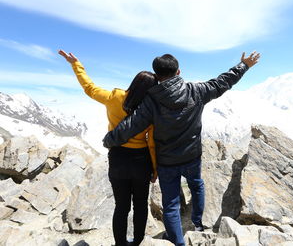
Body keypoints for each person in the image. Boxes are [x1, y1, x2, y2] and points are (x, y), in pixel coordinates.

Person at [103, 51, 261, 246]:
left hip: (167, 161)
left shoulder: (151, 101)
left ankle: (177, 242)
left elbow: (132, 125)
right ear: (178, 71)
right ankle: (197, 224)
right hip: (192, 156)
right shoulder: (196, 91)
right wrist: (243, 65)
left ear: (157, 76)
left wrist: (109, 140)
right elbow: (223, 82)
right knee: (197, 185)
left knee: (170, 204)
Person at [58, 50, 158, 246]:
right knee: (140, 205)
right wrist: (155, 169)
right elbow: (152, 143)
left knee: (121, 206)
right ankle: (137, 242)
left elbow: (90, 88)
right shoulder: (150, 109)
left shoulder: (114, 97)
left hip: (118, 158)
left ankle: (120, 243)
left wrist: (76, 65)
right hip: (141, 160)